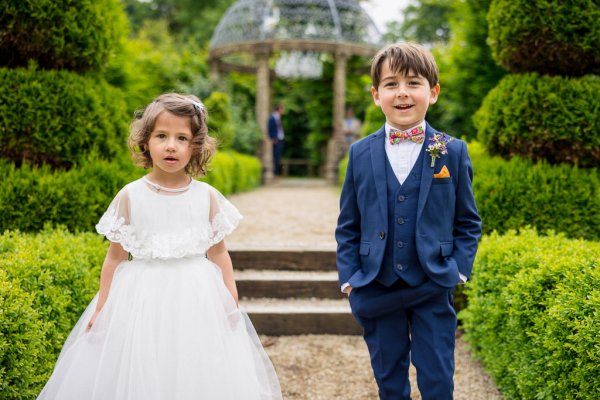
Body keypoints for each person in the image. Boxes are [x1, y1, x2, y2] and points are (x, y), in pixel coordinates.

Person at [37, 93, 282, 400]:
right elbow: (115, 258)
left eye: (182, 138)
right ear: (145, 142)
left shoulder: (205, 196)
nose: (171, 146)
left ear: (195, 146)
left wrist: (230, 295)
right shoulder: (130, 196)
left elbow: (218, 252)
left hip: (196, 297)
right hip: (140, 299)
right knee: (143, 364)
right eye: (162, 136)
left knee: (193, 364)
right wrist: (101, 309)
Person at [335, 43, 481, 400]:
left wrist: (458, 271)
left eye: (413, 83)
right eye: (391, 84)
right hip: (377, 284)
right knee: (389, 381)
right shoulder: (359, 152)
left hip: (432, 283)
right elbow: (348, 224)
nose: (402, 92)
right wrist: (351, 279)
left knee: (438, 380)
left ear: (432, 92)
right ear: (376, 94)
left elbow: (468, 221)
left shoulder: (452, 150)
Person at [268, 103, 284, 175]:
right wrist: (273, 138)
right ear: (279, 109)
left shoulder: (278, 117)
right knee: (275, 157)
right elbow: (270, 128)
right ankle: (275, 173)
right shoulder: (272, 118)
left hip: (279, 139)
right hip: (276, 140)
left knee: (278, 156)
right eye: (282, 109)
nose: (283, 111)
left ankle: (276, 173)